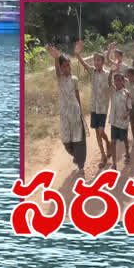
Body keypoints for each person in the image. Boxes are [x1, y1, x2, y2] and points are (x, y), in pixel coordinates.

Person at [47, 45, 86, 177]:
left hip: (75, 114)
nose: (67, 68)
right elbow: (57, 72)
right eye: (64, 66)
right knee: (66, 142)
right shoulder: (60, 79)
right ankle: (76, 156)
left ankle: (81, 166)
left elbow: (77, 95)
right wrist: (56, 58)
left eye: (68, 66)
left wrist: (80, 111)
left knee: (79, 141)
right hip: (64, 116)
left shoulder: (74, 79)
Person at [75, 40, 112, 167]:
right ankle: (103, 156)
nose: (96, 62)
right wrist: (78, 54)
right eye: (95, 60)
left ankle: (108, 143)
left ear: (103, 62)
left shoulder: (108, 74)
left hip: (103, 108)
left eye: (99, 60)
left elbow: (113, 87)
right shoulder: (92, 72)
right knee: (97, 133)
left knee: (101, 132)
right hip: (94, 107)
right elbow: (83, 64)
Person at [107, 69, 133, 169]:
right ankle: (114, 163)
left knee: (124, 140)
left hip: (123, 122)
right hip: (114, 121)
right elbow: (109, 82)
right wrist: (110, 72)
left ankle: (127, 153)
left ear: (123, 81)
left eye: (119, 80)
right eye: (115, 80)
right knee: (113, 141)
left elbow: (129, 108)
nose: (117, 82)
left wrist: (127, 114)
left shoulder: (126, 93)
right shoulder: (113, 91)